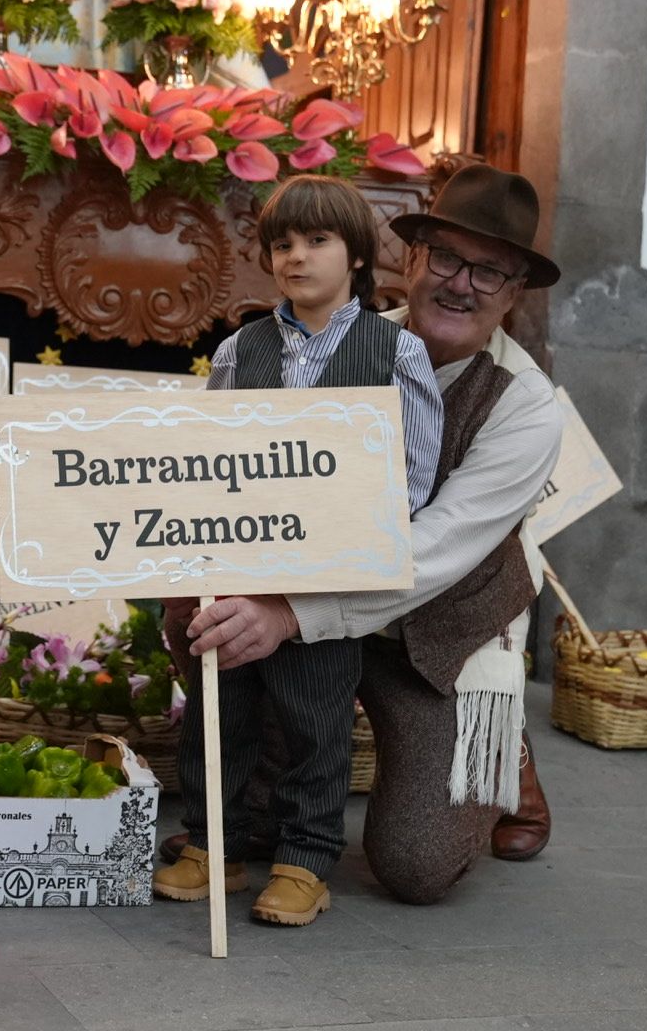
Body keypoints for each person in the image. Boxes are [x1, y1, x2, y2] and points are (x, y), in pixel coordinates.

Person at [179, 163, 564, 904]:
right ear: (409, 260)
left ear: (515, 294)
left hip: (441, 639)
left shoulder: (528, 409)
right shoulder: (326, 339)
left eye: (490, 273)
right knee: (198, 616)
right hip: (321, 611)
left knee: (416, 867)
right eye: (446, 258)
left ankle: (499, 742)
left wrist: (290, 614)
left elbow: (438, 550)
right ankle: (244, 808)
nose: (461, 284)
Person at [151, 175, 444, 927]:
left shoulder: (395, 352)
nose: (295, 257)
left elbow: (410, 480)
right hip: (237, 566)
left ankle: (307, 859)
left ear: (355, 257)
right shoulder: (238, 349)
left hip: (326, 582)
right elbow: (205, 456)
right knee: (220, 710)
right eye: (282, 243)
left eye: (317, 241)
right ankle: (217, 844)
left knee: (316, 720)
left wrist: (342, 536)